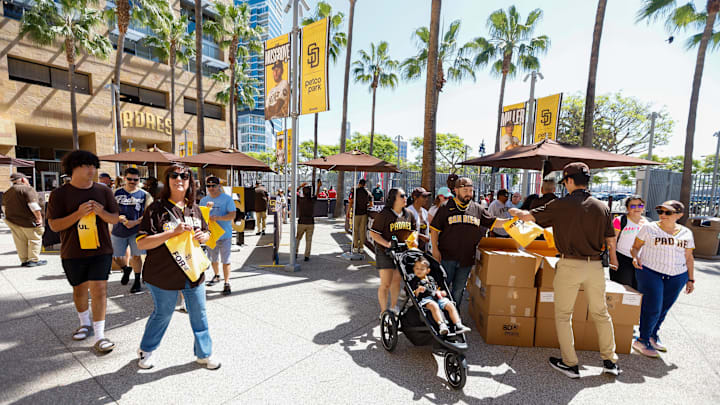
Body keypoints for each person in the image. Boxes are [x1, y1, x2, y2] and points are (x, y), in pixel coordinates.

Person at [509, 162, 621, 378]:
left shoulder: (560, 204)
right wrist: (613, 259)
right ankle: (610, 361)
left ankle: (570, 363)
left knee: (563, 315)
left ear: (569, 181)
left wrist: (514, 210)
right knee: (601, 313)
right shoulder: (602, 206)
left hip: (570, 264)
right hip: (596, 266)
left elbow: (527, 217)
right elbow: (611, 238)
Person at [135, 164, 219, 370]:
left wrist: (204, 236)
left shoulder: (196, 209)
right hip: (162, 274)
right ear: (167, 180)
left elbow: (207, 234)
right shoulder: (155, 209)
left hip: (193, 273)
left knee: (199, 314)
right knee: (163, 313)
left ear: (190, 182)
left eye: (184, 176)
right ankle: (147, 349)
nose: (179, 179)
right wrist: (171, 233)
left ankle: (204, 354)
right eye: (174, 175)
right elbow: (142, 243)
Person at [47, 151, 120, 353]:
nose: (92, 170)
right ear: (73, 169)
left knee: (99, 289)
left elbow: (114, 218)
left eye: (94, 166)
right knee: (79, 290)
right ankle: (84, 323)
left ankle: (100, 335)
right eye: (87, 166)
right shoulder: (59, 194)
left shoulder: (104, 191)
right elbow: (54, 225)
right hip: (73, 252)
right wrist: (78, 214)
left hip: (101, 250)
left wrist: (101, 212)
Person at [630, 200, 694, 358]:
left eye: (668, 212)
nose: (662, 215)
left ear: (679, 215)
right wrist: (634, 256)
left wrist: (691, 279)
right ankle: (641, 340)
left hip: (678, 274)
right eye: (660, 211)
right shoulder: (648, 228)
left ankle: (652, 335)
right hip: (651, 271)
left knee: (664, 308)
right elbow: (635, 247)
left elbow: (689, 257)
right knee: (653, 307)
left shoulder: (686, 233)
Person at [430, 177, 509, 305]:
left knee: (459, 290)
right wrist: (435, 249)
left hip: (467, 258)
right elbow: (434, 229)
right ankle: (439, 317)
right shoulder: (446, 207)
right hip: (447, 257)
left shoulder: (477, 209)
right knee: (442, 288)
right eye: (465, 190)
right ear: (456, 190)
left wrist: (512, 221)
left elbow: (494, 222)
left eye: (471, 190)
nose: (468, 193)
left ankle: (454, 318)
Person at [370, 188, 416, 316]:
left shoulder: (408, 214)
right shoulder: (384, 214)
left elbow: (413, 231)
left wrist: (412, 241)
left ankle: (393, 306)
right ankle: (384, 311)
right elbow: (373, 233)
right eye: (402, 196)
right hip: (385, 252)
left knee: (396, 280)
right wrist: (387, 244)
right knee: (385, 283)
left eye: (405, 195)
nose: (405, 198)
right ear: (393, 199)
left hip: (401, 252)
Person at [112, 167, 152, 294]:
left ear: (139, 180)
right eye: (129, 179)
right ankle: (125, 268)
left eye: (135, 179)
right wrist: (119, 218)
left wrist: (134, 222)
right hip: (118, 230)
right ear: (124, 178)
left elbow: (148, 213)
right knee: (116, 256)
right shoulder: (116, 193)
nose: (132, 181)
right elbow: (109, 210)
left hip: (136, 231)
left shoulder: (145, 195)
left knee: (136, 256)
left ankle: (136, 281)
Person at [409, 258, 471, 335]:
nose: (419, 270)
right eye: (417, 268)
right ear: (414, 269)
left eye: (422, 269)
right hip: (425, 299)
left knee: (450, 304)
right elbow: (413, 294)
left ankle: (458, 324)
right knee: (434, 305)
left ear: (428, 271)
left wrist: (441, 292)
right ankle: (442, 325)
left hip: (437, 297)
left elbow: (437, 288)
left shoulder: (431, 279)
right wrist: (418, 290)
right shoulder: (414, 280)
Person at [201, 176, 236, 296]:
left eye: (213, 186)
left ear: (219, 186)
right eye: (208, 186)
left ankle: (227, 283)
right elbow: (201, 216)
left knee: (226, 260)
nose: (211, 188)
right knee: (213, 259)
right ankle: (216, 276)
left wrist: (219, 218)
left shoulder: (227, 199)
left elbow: (232, 214)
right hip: (211, 235)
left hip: (225, 234)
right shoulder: (204, 200)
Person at [2, 172, 46, 267]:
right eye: (27, 179)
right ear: (23, 180)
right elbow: (33, 205)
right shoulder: (27, 189)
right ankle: (33, 260)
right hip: (28, 221)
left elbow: (4, 208)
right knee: (35, 239)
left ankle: (24, 260)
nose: (28, 181)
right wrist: (39, 219)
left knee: (20, 241)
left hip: (12, 221)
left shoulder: (7, 192)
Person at [611, 196, 648, 289]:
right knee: (622, 290)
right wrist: (613, 259)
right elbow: (612, 241)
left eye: (640, 205)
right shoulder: (619, 220)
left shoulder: (648, 223)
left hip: (641, 261)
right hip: (622, 259)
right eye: (633, 206)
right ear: (627, 208)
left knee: (638, 291)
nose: (637, 208)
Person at [296, 183, 318, 261]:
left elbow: (295, 192)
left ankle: (295, 252)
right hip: (310, 222)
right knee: (308, 240)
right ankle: (307, 255)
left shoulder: (300, 200)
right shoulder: (312, 200)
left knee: (298, 238)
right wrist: (318, 186)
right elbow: (316, 195)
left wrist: (300, 186)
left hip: (301, 222)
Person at [351, 179, 373, 253]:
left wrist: (348, 211)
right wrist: (365, 206)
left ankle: (355, 247)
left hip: (356, 213)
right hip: (364, 213)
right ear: (365, 185)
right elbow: (371, 204)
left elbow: (351, 201)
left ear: (359, 184)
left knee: (355, 230)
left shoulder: (355, 191)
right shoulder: (368, 193)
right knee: (362, 231)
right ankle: (361, 247)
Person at [407, 187, 431, 252]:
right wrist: (421, 236)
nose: (426, 199)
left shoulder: (425, 212)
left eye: (427, 197)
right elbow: (406, 231)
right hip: (412, 249)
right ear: (415, 197)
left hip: (424, 250)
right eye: (423, 196)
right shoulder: (408, 211)